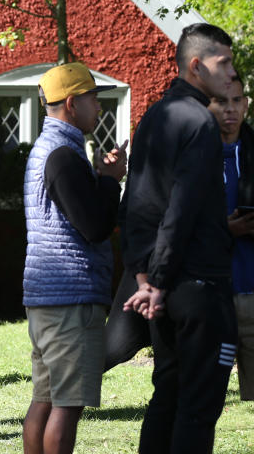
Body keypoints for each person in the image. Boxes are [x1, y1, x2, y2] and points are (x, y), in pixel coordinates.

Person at [121, 23, 238, 454]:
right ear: (196, 66)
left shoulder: (153, 116)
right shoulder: (200, 124)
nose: (231, 72)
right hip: (198, 288)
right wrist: (158, 280)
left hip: (163, 288)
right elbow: (180, 210)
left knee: (168, 396)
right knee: (198, 406)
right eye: (223, 62)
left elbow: (134, 205)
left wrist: (144, 277)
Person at [19, 64, 127, 454]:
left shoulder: (48, 149)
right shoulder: (64, 155)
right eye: (94, 98)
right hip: (71, 298)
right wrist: (111, 181)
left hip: (47, 295)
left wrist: (100, 179)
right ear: (71, 103)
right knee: (66, 407)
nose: (99, 107)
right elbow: (94, 226)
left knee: (44, 401)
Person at [208, 77, 254, 402]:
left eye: (236, 101)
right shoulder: (195, 158)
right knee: (206, 401)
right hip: (213, 296)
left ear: (246, 104)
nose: (230, 109)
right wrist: (224, 229)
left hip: (253, 292)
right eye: (222, 102)